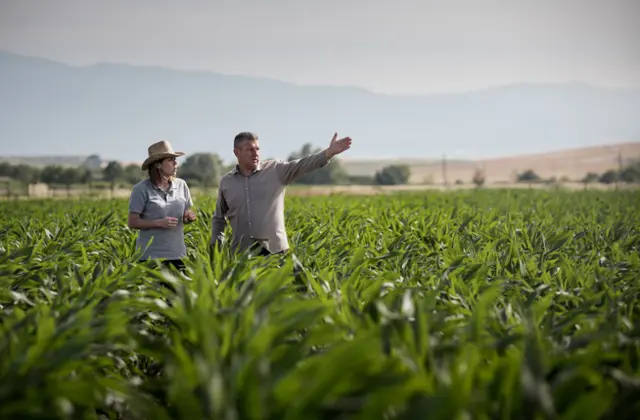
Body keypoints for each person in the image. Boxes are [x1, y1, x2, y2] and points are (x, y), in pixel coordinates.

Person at [210, 131, 352, 256]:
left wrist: (328, 153)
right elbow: (219, 219)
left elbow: (302, 165)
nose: (255, 153)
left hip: (275, 252)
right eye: (249, 149)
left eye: (257, 149)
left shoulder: (275, 170)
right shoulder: (227, 182)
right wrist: (216, 248)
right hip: (242, 254)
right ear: (237, 152)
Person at [128, 140, 197, 272]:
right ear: (158, 164)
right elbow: (132, 222)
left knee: (176, 293)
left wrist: (188, 218)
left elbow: (185, 214)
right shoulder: (141, 189)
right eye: (171, 160)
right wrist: (158, 223)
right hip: (150, 257)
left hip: (177, 254)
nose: (176, 163)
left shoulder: (182, 185)